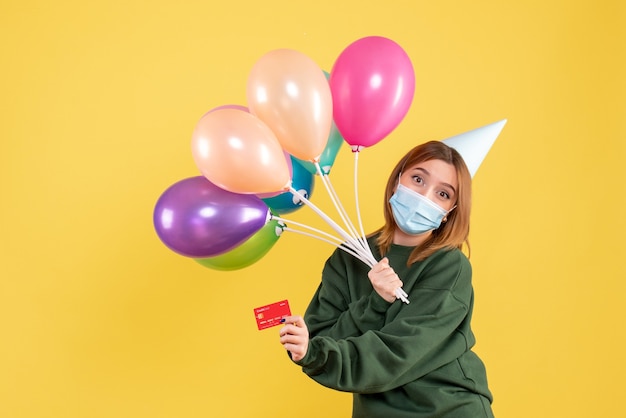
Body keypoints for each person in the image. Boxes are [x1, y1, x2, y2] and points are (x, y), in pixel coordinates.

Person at [279, 140, 494, 417]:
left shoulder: (449, 266)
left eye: (442, 194)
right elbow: (321, 340)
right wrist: (374, 302)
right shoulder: (349, 256)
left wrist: (319, 352)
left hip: (448, 409)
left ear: (449, 212)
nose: (425, 197)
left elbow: (400, 351)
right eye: (418, 179)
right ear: (397, 181)